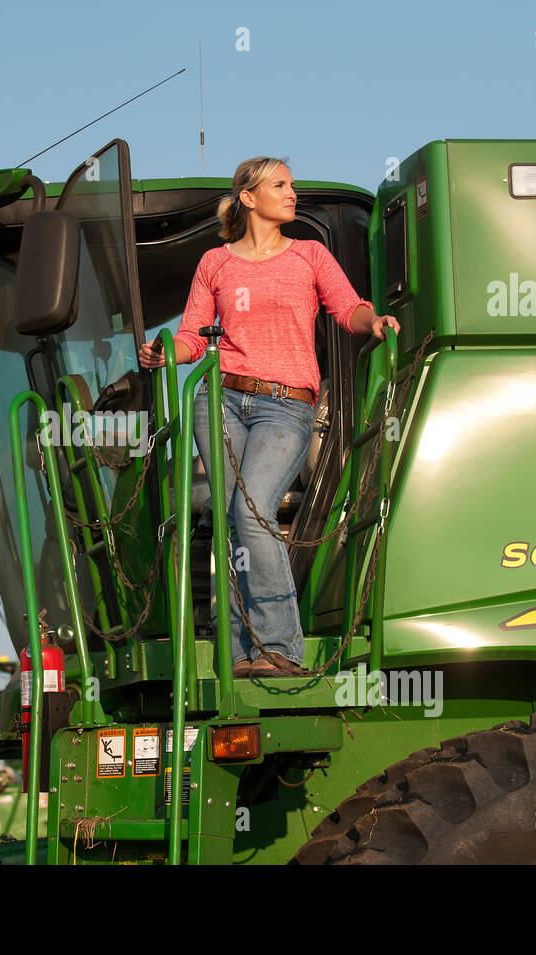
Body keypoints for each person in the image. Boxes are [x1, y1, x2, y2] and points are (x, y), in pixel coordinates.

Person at [138, 156, 400, 677]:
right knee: (233, 524)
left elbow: (348, 308)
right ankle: (243, 655)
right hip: (222, 400)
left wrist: (374, 321)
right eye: (280, 185)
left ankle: (279, 647)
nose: (292, 192)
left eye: (293, 185)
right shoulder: (215, 263)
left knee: (253, 513)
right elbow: (193, 333)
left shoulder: (310, 254)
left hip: (287, 404)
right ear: (250, 198)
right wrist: (168, 352)